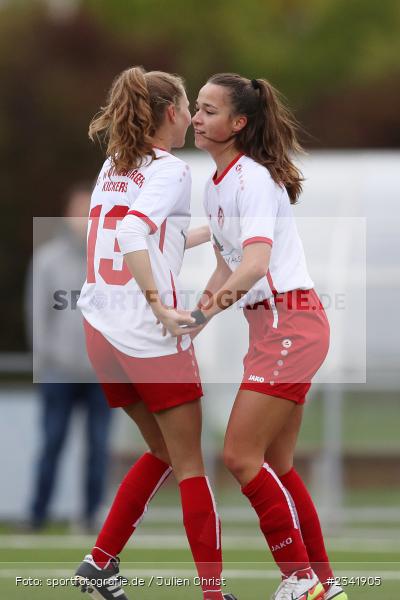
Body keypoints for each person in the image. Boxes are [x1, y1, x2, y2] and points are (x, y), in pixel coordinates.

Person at [74, 66, 236, 600]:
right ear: (171, 113)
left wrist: (216, 228)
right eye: (189, 106)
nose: (193, 116)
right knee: (191, 462)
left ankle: (100, 563)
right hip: (146, 333)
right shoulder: (170, 169)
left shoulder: (114, 165)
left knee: (165, 453)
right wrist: (159, 307)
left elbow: (149, 233)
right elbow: (131, 231)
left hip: (100, 328)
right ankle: (213, 593)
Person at [188, 73, 348, 600]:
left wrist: (211, 310)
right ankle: (324, 585)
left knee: (238, 456)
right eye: (195, 107)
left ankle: (300, 581)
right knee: (275, 466)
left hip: (288, 323)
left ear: (238, 124)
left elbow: (254, 266)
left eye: (209, 111)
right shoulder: (215, 185)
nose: (196, 117)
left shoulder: (251, 178)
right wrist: (193, 320)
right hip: (275, 326)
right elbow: (224, 268)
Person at [27, 184, 112, 532]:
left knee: (98, 449)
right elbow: (36, 316)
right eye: (78, 211)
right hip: (59, 374)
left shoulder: (109, 261)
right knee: (51, 445)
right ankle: (37, 516)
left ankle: (91, 517)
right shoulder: (48, 259)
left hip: (100, 375)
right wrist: (48, 361)